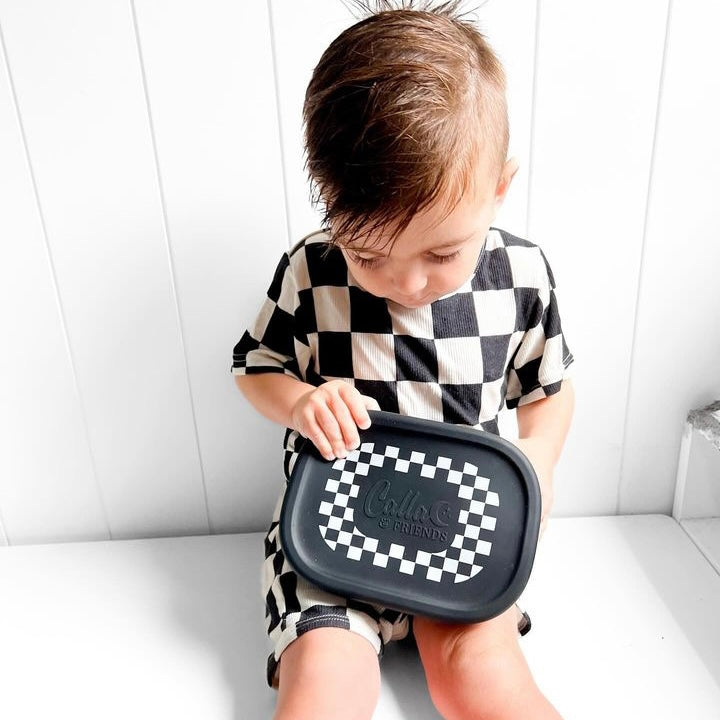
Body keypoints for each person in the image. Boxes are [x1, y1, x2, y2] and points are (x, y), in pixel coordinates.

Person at [231, 2, 575, 718]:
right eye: (367, 254)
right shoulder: (311, 271)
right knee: (322, 682)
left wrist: (539, 461)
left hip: (460, 531)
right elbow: (256, 365)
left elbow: (550, 389)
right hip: (331, 532)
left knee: (482, 673)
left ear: (499, 189)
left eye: (442, 253)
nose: (407, 282)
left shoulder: (520, 277)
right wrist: (300, 401)